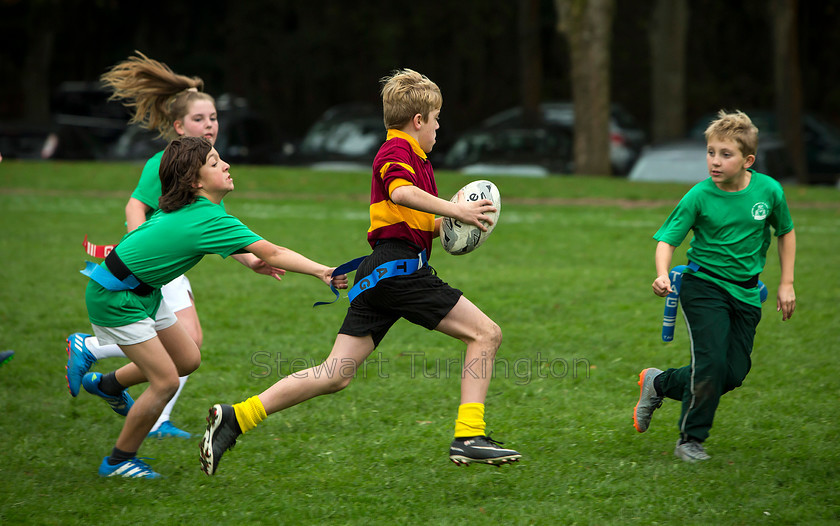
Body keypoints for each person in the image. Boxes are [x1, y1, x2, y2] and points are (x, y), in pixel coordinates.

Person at [199, 68, 521, 476]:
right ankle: (469, 436)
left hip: (383, 272)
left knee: (334, 374)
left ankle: (237, 417)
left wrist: (459, 227)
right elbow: (400, 193)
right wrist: (457, 209)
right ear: (418, 121)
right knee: (486, 333)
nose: (439, 127)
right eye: (436, 119)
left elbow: (412, 219)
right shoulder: (395, 153)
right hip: (397, 271)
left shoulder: (418, 160)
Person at [78, 136, 347, 478]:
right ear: (196, 181)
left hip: (143, 291)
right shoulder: (206, 217)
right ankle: (117, 461)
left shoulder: (202, 211)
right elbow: (274, 252)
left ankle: (109, 384)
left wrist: (250, 262)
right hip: (116, 297)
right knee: (165, 383)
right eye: (215, 162)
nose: (227, 165)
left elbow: (228, 243)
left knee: (187, 360)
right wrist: (322, 271)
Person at [65, 52, 272, 439]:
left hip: (167, 264)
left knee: (188, 350)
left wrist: (250, 261)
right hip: (152, 266)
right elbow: (135, 205)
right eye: (199, 119)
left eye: (213, 118)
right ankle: (95, 353)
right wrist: (135, 246)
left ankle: (113, 383)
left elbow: (221, 235)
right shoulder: (167, 162)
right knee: (186, 345)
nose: (208, 125)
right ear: (178, 126)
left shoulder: (208, 167)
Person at [633, 110, 796, 462]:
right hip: (703, 285)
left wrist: (787, 283)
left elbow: (785, 232)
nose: (715, 162)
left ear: (748, 160)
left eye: (726, 154)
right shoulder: (699, 195)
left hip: (748, 292)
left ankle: (658, 384)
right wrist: (662, 272)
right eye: (710, 152)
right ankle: (690, 440)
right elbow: (667, 240)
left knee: (733, 372)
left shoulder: (769, 191)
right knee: (709, 365)